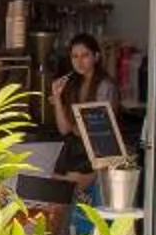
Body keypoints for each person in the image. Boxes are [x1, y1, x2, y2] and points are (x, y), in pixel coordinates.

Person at [48, 34, 118, 176]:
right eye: (75, 56)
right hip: (75, 148)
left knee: (67, 187)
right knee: (53, 186)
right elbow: (64, 129)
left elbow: (95, 130)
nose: (79, 61)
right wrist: (57, 97)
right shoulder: (73, 85)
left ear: (96, 57)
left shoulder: (105, 86)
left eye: (85, 55)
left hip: (96, 150)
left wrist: (75, 128)